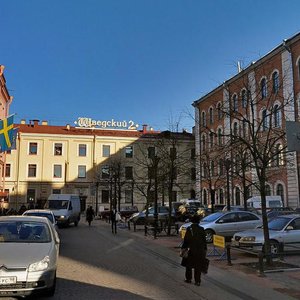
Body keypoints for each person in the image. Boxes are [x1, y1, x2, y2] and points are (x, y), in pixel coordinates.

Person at [181, 214, 207, 286]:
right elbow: (204, 241)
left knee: (188, 265)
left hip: (191, 250)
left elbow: (186, 240)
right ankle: (197, 281)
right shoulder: (201, 229)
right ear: (198, 221)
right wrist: (205, 249)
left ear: (192, 221)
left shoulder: (189, 229)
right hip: (200, 250)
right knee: (198, 266)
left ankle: (188, 279)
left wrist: (183, 248)